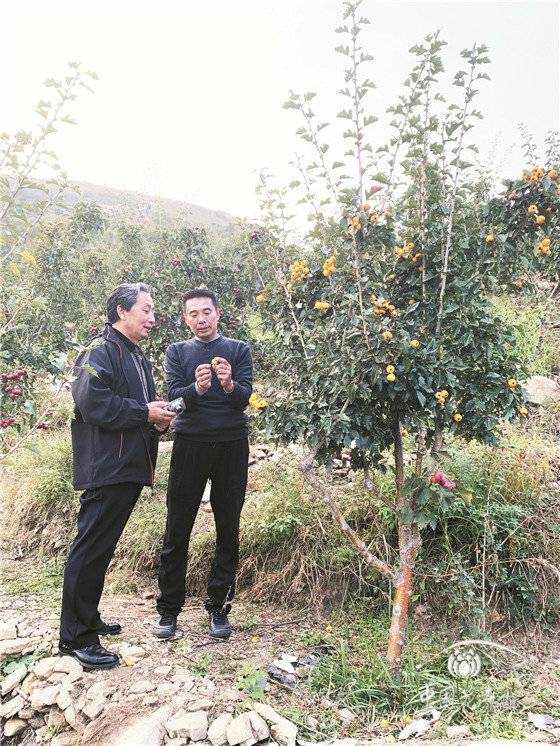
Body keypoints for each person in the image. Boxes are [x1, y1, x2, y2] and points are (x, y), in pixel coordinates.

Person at [59, 283, 176, 669]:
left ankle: (87, 617)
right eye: (146, 309)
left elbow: (143, 409)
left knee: (101, 548)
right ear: (122, 311)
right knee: (90, 548)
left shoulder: (136, 356)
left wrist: (158, 418)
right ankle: (75, 637)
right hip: (106, 467)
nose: (152, 317)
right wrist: (144, 413)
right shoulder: (99, 350)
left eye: (153, 310)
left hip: (128, 466)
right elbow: (92, 402)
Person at [154, 288, 253, 640]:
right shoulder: (177, 352)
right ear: (186, 318)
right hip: (190, 444)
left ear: (218, 313)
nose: (201, 319)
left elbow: (244, 399)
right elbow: (173, 399)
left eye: (206, 312)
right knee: (177, 526)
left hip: (232, 445)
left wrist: (228, 384)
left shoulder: (238, 349)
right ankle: (168, 610)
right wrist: (196, 389)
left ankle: (218, 607)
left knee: (228, 527)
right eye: (193, 314)